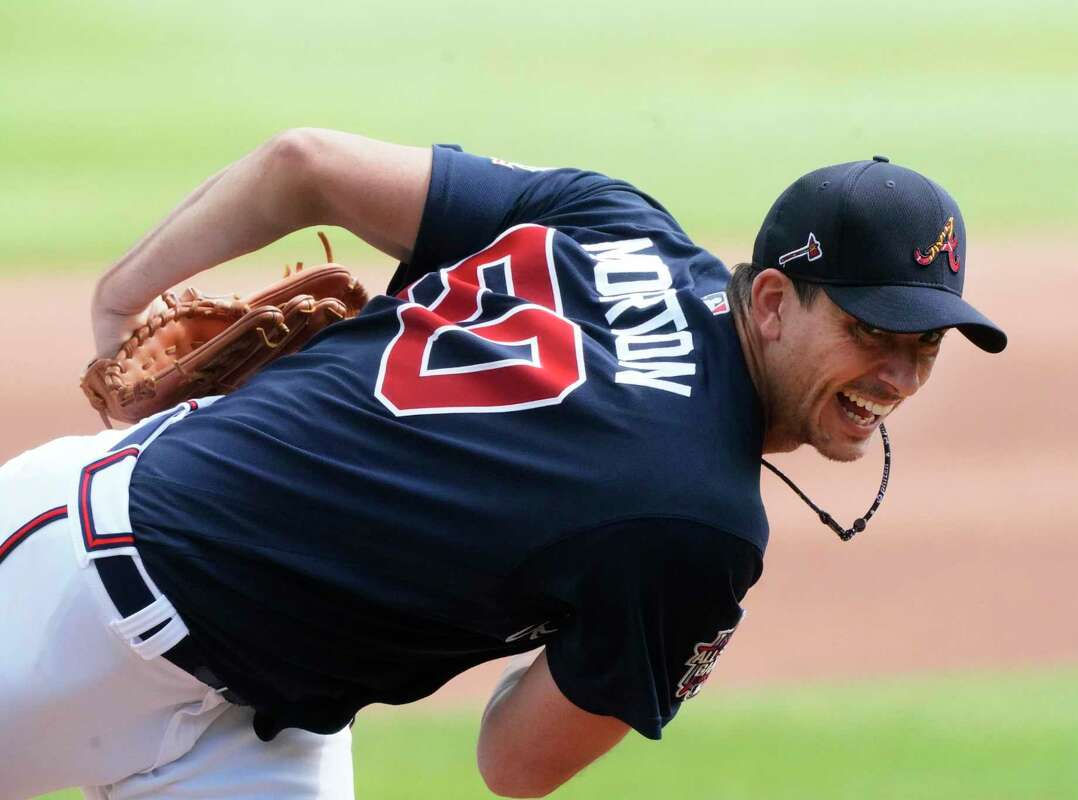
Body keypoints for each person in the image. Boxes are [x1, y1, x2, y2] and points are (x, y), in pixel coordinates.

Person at [0, 130, 1005, 799]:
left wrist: (121, 300)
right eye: (873, 328)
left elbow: (305, 162)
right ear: (777, 301)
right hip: (76, 593)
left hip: (259, 721)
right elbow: (515, 761)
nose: (900, 372)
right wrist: (638, 623)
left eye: (926, 342)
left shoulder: (615, 222)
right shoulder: (700, 528)